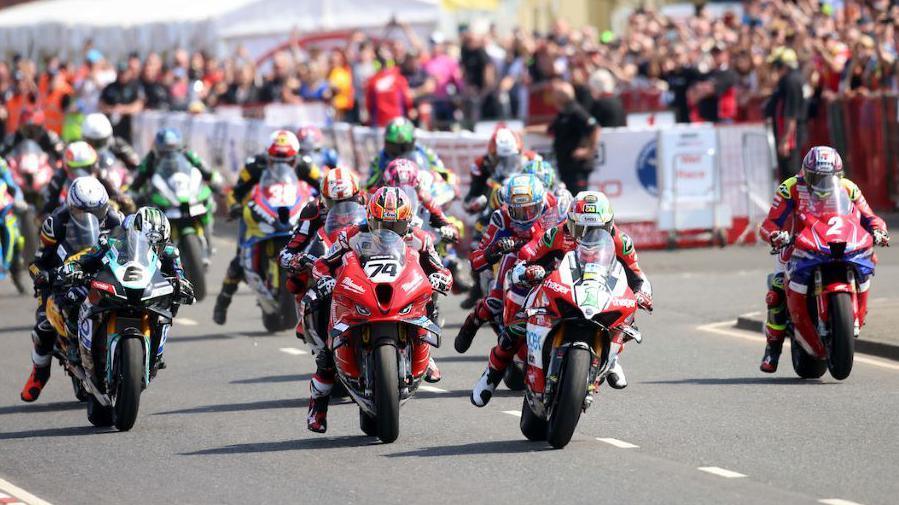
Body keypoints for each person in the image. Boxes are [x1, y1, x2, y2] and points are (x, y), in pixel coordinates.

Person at [471, 190, 653, 407]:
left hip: (600, 292)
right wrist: (529, 271)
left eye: (596, 229)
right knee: (516, 326)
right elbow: (528, 261)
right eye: (581, 228)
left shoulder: (621, 241)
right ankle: (492, 374)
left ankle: (612, 358)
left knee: (627, 319)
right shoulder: (555, 234)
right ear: (570, 222)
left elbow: (637, 275)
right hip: (561, 287)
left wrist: (642, 293)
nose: (588, 235)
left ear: (608, 224)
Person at [305, 187, 452, 432]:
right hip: (362, 291)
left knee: (429, 299)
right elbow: (322, 264)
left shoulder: (421, 238)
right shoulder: (350, 235)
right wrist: (326, 279)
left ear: (406, 222)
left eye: (395, 226)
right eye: (382, 224)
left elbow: (441, 269)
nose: (388, 231)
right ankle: (317, 406)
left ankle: (425, 352)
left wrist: (441, 279)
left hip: (402, 289)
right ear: (371, 219)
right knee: (328, 339)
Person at [758, 146, 889, 373]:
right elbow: (769, 223)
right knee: (777, 287)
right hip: (796, 243)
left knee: (869, 260)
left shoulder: (849, 188)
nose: (821, 183)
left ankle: (854, 315)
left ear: (838, 176)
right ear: (805, 173)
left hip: (838, 240)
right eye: (816, 178)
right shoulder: (789, 187)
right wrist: (775, 236)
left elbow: (870, 217)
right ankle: (773, 348)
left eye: (827, 178)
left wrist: (879, 230)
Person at [20, 176, 123, 402]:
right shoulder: (56, 222)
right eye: (84, 211)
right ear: (72, 207)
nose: (92, 216)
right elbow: (38, 261)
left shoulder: (115, 218)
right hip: (62, 278)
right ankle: (39, 372)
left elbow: (129, 248)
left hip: (101, 274)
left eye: (97, 210)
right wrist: (42, 276)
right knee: (43, 324)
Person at [60, 207, 194, 377]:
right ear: (134, 233)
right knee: (73, 294)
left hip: (150, 291)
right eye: (148, 241)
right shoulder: (111, 242)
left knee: (175, 297)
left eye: (157, 243)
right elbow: (86, 259)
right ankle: (73, 346)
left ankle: (156, 352)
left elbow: (179, 275)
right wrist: (74, 268)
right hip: (115, 285)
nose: (153, 247)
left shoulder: (171, 252)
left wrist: (182, 284)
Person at [213, 130, 320, 325]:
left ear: (294, 158)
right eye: (275, 160)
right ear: (268, 156)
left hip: (292, 210)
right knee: (240, 256)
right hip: (262, 212)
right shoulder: (254, 165)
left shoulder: (306, 164)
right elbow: (236, 191)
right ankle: (223, 299)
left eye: (287, 161)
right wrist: (235, 206)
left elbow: (322, 186)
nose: (282, 164)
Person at [454, 173, 551, 354]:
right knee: (495, 301)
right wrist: (494, 250)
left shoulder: (553, 208)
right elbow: (475, 260)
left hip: (546, 255)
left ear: (541, 203)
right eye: (518, 211)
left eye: (530, 210)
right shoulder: (501, 217)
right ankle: (473, 322)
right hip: (514, 257)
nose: (524, 217)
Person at [280, 167, 364, 340]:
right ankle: (306, 319)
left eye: (349, 201)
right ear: (325, 200)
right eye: (335, 203)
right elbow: (292, 246)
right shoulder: (313, 211)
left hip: (363, 251)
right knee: (295, 280)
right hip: (327, 256)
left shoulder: (370, 203)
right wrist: (295, 260)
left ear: (357, 194)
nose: (343, 209)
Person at [42, 141, 135, 216]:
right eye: (77, 169)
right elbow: (47, 207)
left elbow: (117, 195)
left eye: (88, 167)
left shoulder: (100, 175)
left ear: (95, 164)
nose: (83, 173)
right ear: (67, 167)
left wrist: (121, 200)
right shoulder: (59, 178)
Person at [364, 117, 450, 190]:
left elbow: (443, 172)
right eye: (393, 146)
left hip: (422, 191)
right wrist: (381, 179)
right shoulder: (379, 158)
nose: (399, 153)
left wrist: (441, 179)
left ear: (412, 141)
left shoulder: (426, 152)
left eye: (403, 147)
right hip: (393, 197)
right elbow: (369, 184)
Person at [129, 127, 218, 196]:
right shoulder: (151, 156)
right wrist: (133, 192)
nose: (169, 154)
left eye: (173, 148)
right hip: (160, 193)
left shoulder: (187, 152)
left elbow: (205, 170)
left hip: (185, 189)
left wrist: (214, 181)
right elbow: (138, 178)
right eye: (164, 150)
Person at [547, 81, 599, 194]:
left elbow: (594, 128)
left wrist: (589, 150)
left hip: (576, 168)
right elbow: (550, 129)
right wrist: (527, 130)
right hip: (566, 167)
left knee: (577, 199)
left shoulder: (576, 111)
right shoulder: (564, 113)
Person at [765, 47, 806, 180]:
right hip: (788, 134)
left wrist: (785, 140)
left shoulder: (791, 81)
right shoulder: (788, 80)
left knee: (791, 174)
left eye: (777, 66)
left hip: (791, 137)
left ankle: (794, 201)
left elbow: (791, 112)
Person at [99, 62, 145, 142]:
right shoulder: (110, 87)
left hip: (129, 129)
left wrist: (123, 109)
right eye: (120, 72)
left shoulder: (135, 86)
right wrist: (112, 109)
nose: (122, 75)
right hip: (111, 129)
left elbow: (139, 105)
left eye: (124, 72)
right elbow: (101, 104)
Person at [0, 107, 65, 163]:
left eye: (34, 129)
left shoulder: (49, 137)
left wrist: (59, 150)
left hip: (44, 171)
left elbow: (60, 150)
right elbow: (3, 151)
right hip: (18, 170)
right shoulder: (13, 138)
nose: (30, 134)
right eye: (26, 129)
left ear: (40, 128)